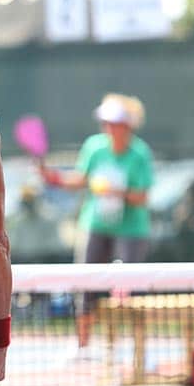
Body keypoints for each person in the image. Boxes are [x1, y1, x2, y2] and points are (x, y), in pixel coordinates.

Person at [39, 93, 154, 356]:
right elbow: (80, 180)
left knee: (129, 290)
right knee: (86, 284)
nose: (108, 128)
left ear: (128, 125)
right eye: (106, 122)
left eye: (114, 123)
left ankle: (134, 352)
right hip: (95, 225)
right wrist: (53, 178)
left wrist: (116, 192)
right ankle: (82, 347)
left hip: (132, 230)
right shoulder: (94, 147)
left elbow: (143, 197)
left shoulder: (140, 154)